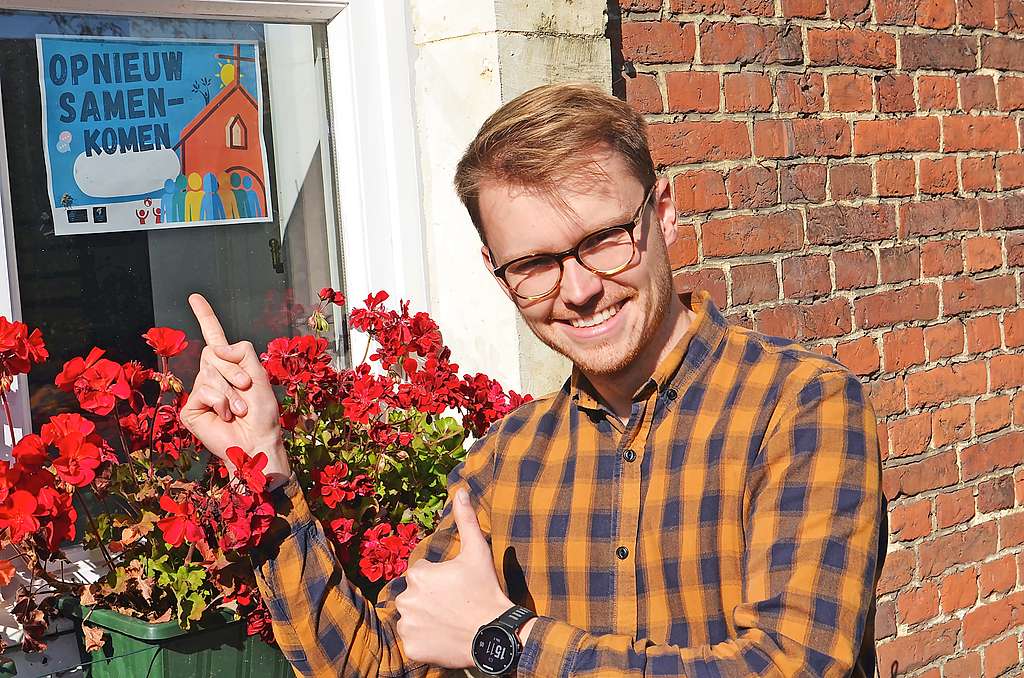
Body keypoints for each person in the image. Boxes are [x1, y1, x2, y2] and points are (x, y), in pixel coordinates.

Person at [182, 83, 885, 677]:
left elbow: (790, 665)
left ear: (663, 213)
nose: (578, 289)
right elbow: (374, 664)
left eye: (605, 239)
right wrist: (266, 472)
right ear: (497, 270)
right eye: (534, 263)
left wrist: (508, 643)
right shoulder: (508, 459)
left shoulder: (799, 407)